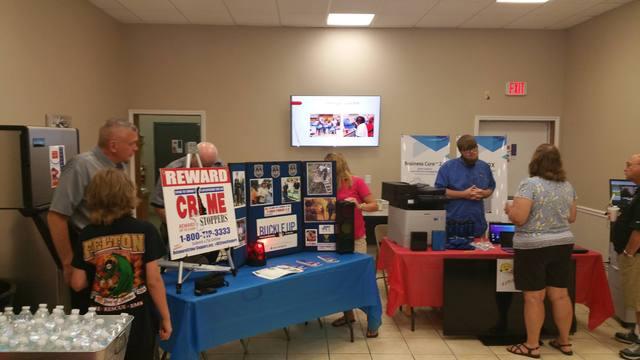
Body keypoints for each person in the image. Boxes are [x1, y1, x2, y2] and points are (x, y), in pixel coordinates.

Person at [70, 169, 171, 359]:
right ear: (128, 195)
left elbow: (77, 283)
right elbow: (153, 281)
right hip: (138, 321)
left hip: (98, 322)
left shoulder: (86, 234)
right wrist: (165, 317)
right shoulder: (145, 230)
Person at [48, 118, 139, 311]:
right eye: (132, 144)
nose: (136, 148)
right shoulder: (80, 166)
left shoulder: (119, 167)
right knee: (91, 310)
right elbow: (56, 216)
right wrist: (68, 262)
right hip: (90, 252)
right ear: (114, 145)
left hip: (117, 253)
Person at [504, 144, 577, 358]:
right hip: (562, 244)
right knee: (560, 295)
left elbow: (519, 218)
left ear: (535, 161)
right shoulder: (567, 185)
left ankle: (532, 345)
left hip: (533, 247)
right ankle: (564, 342)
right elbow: (571, 217)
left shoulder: (529, 184)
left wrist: (509, 209)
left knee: (534, 297)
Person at [324, 152, 380, 338]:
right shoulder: (325, 186)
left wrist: (358, 205)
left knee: (360, 280)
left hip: (356, 239)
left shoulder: (357, 182)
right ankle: (348, 316)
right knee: (341, 280)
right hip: (334, 240)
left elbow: (374, 205)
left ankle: (373, 322)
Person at [150, 142, 222, 262]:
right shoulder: (172, 170)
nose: (206, 170)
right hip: (180, 230)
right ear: (194, 158)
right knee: (180, 265)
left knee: (209, 262)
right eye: (204, 165)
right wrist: (179, 227)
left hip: (210, 229)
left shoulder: (218, 165)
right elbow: (158, 206)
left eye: (210, 166)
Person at [434, 135, 496, 237]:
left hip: (478, 224)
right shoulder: (448, 167)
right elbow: (440, 191)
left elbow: (491, 187)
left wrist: (483, 193)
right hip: (454, 224)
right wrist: (464, 194)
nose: (471, 152)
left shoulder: (484, 167)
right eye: (467, 150)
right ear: (461, 152)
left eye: (474, 149)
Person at [612, 153, 640, 360]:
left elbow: (638, 230)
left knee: (639, 300)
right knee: (634, 298)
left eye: (629, 165)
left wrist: (629, 253)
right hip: (632, 255)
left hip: (636, 256)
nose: (625, 168)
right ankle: (637, 333)